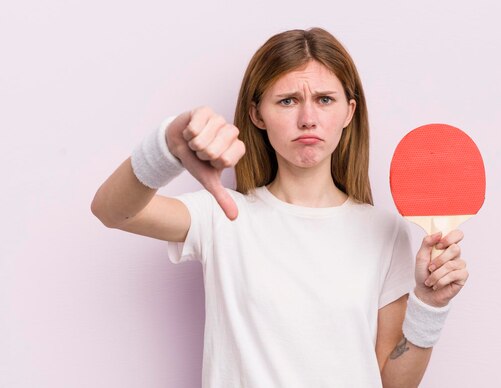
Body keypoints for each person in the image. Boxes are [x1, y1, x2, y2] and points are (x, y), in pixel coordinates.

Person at [91, 27, 469, 388]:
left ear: (349, 112)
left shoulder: (384, 232)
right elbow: (112, 210)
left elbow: (392, 382)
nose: (308, 118)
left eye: (325, 99)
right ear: (257, 115)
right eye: (287, 101)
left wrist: (429, 306)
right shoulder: (222, 216)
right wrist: (167, 145)